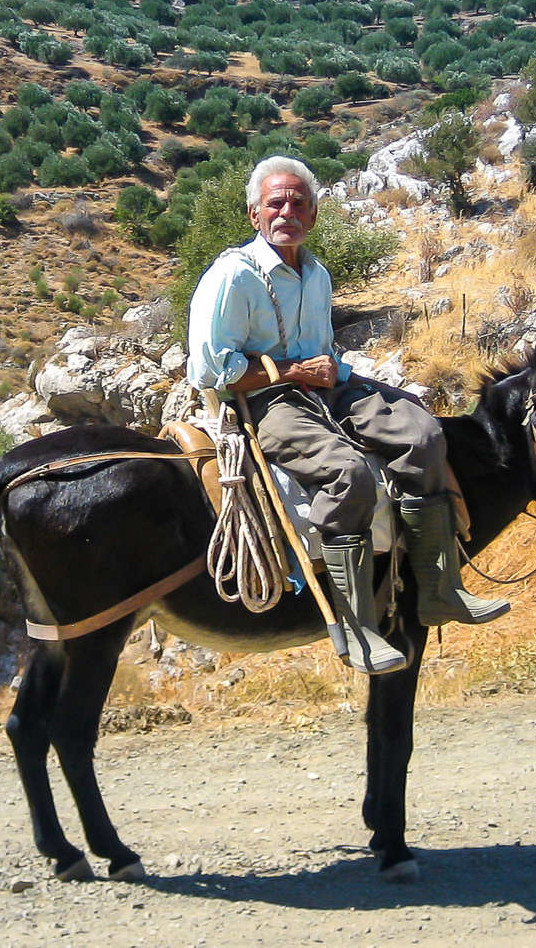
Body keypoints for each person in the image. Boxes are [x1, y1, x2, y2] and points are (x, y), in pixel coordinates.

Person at [186, 156, 509, 675]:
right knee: (347, 472)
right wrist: (291, 371)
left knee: (423, 434)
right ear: (254, 214)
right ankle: (358, 629)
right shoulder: (232, 276)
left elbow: (325, 350)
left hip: (328, 386)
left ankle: (439, 589)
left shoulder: (316, 274)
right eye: (275, 203)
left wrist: (328, 371)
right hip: (262, 399)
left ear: (312, 216)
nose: (286, 212)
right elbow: (211, 370)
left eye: (298, 203)